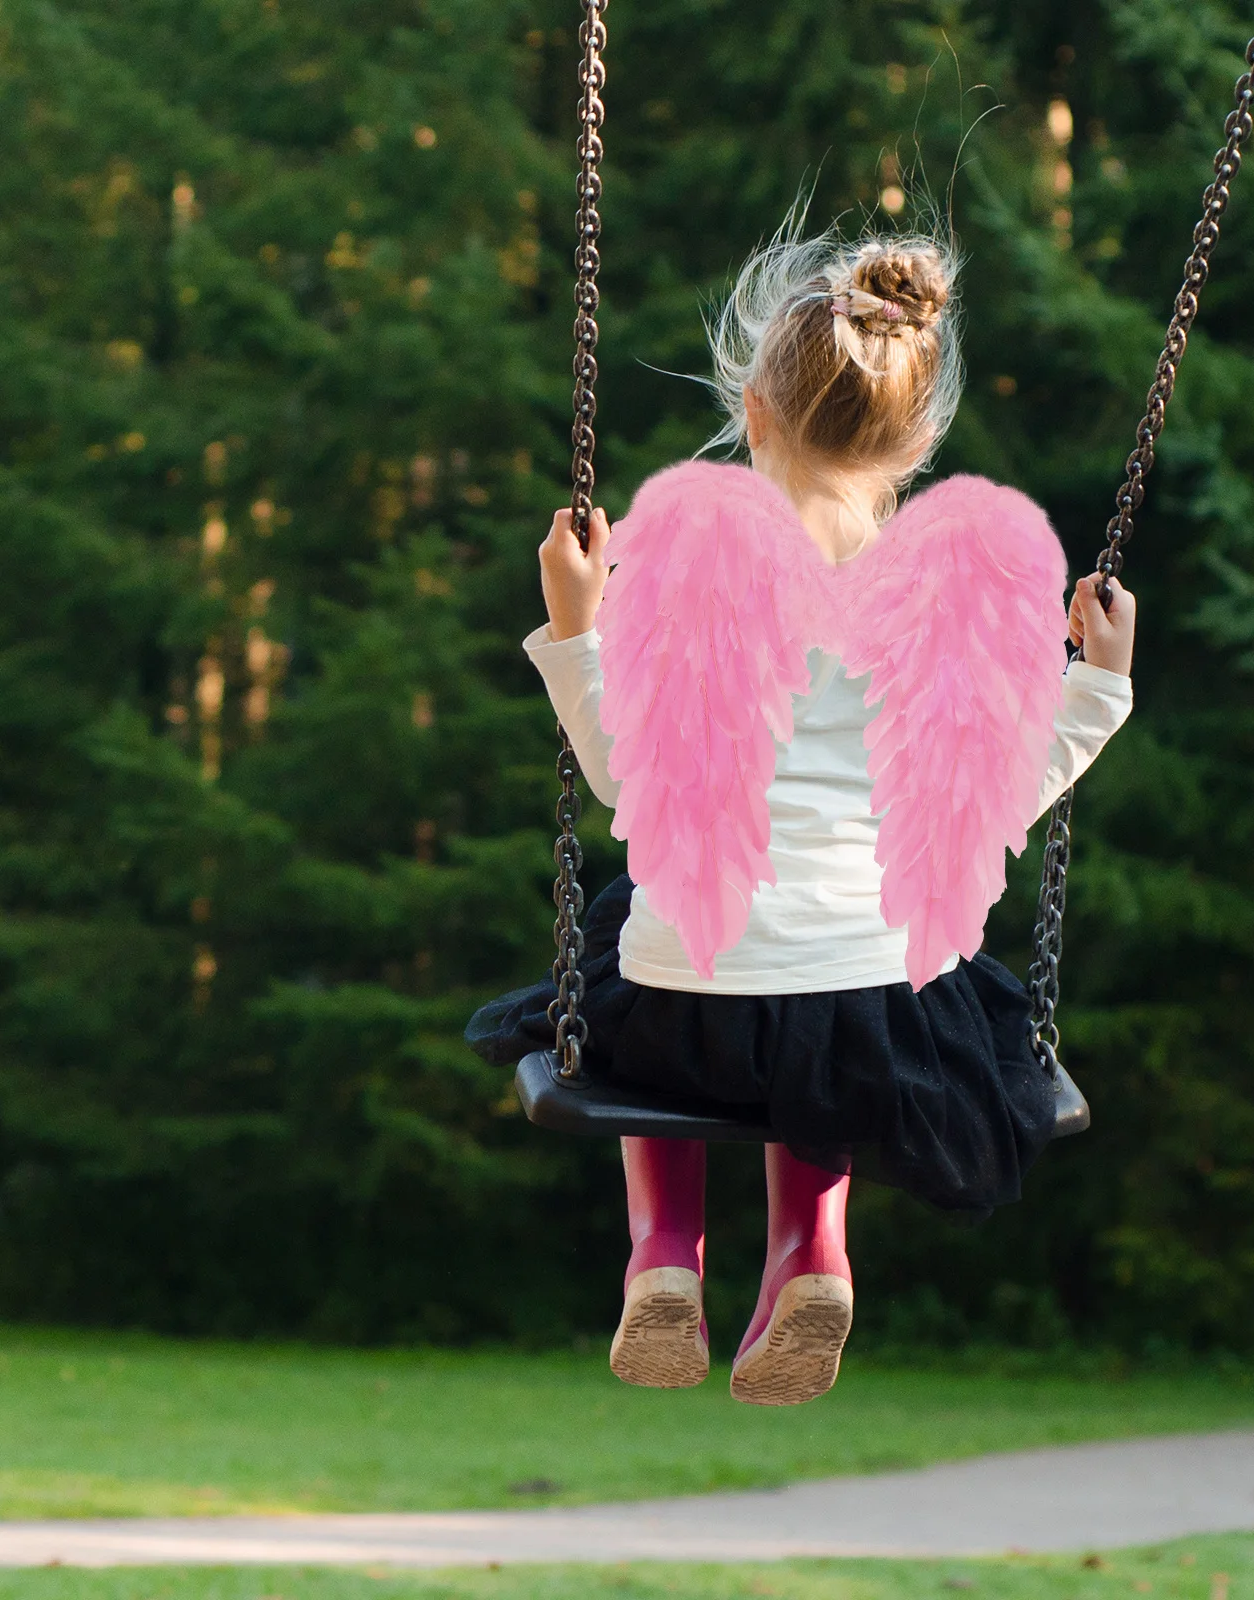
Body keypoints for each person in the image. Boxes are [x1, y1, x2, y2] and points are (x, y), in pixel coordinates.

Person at [467, 224, 1136, 1406]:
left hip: (686, 1005)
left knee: (647, 939)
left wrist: (575, 627)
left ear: (752, 414)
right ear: (919, 440)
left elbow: (626, 775)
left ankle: (663, 1253)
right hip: (869, 1010)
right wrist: (1098, 685)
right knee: (831, 1017)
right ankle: (811, 1255)